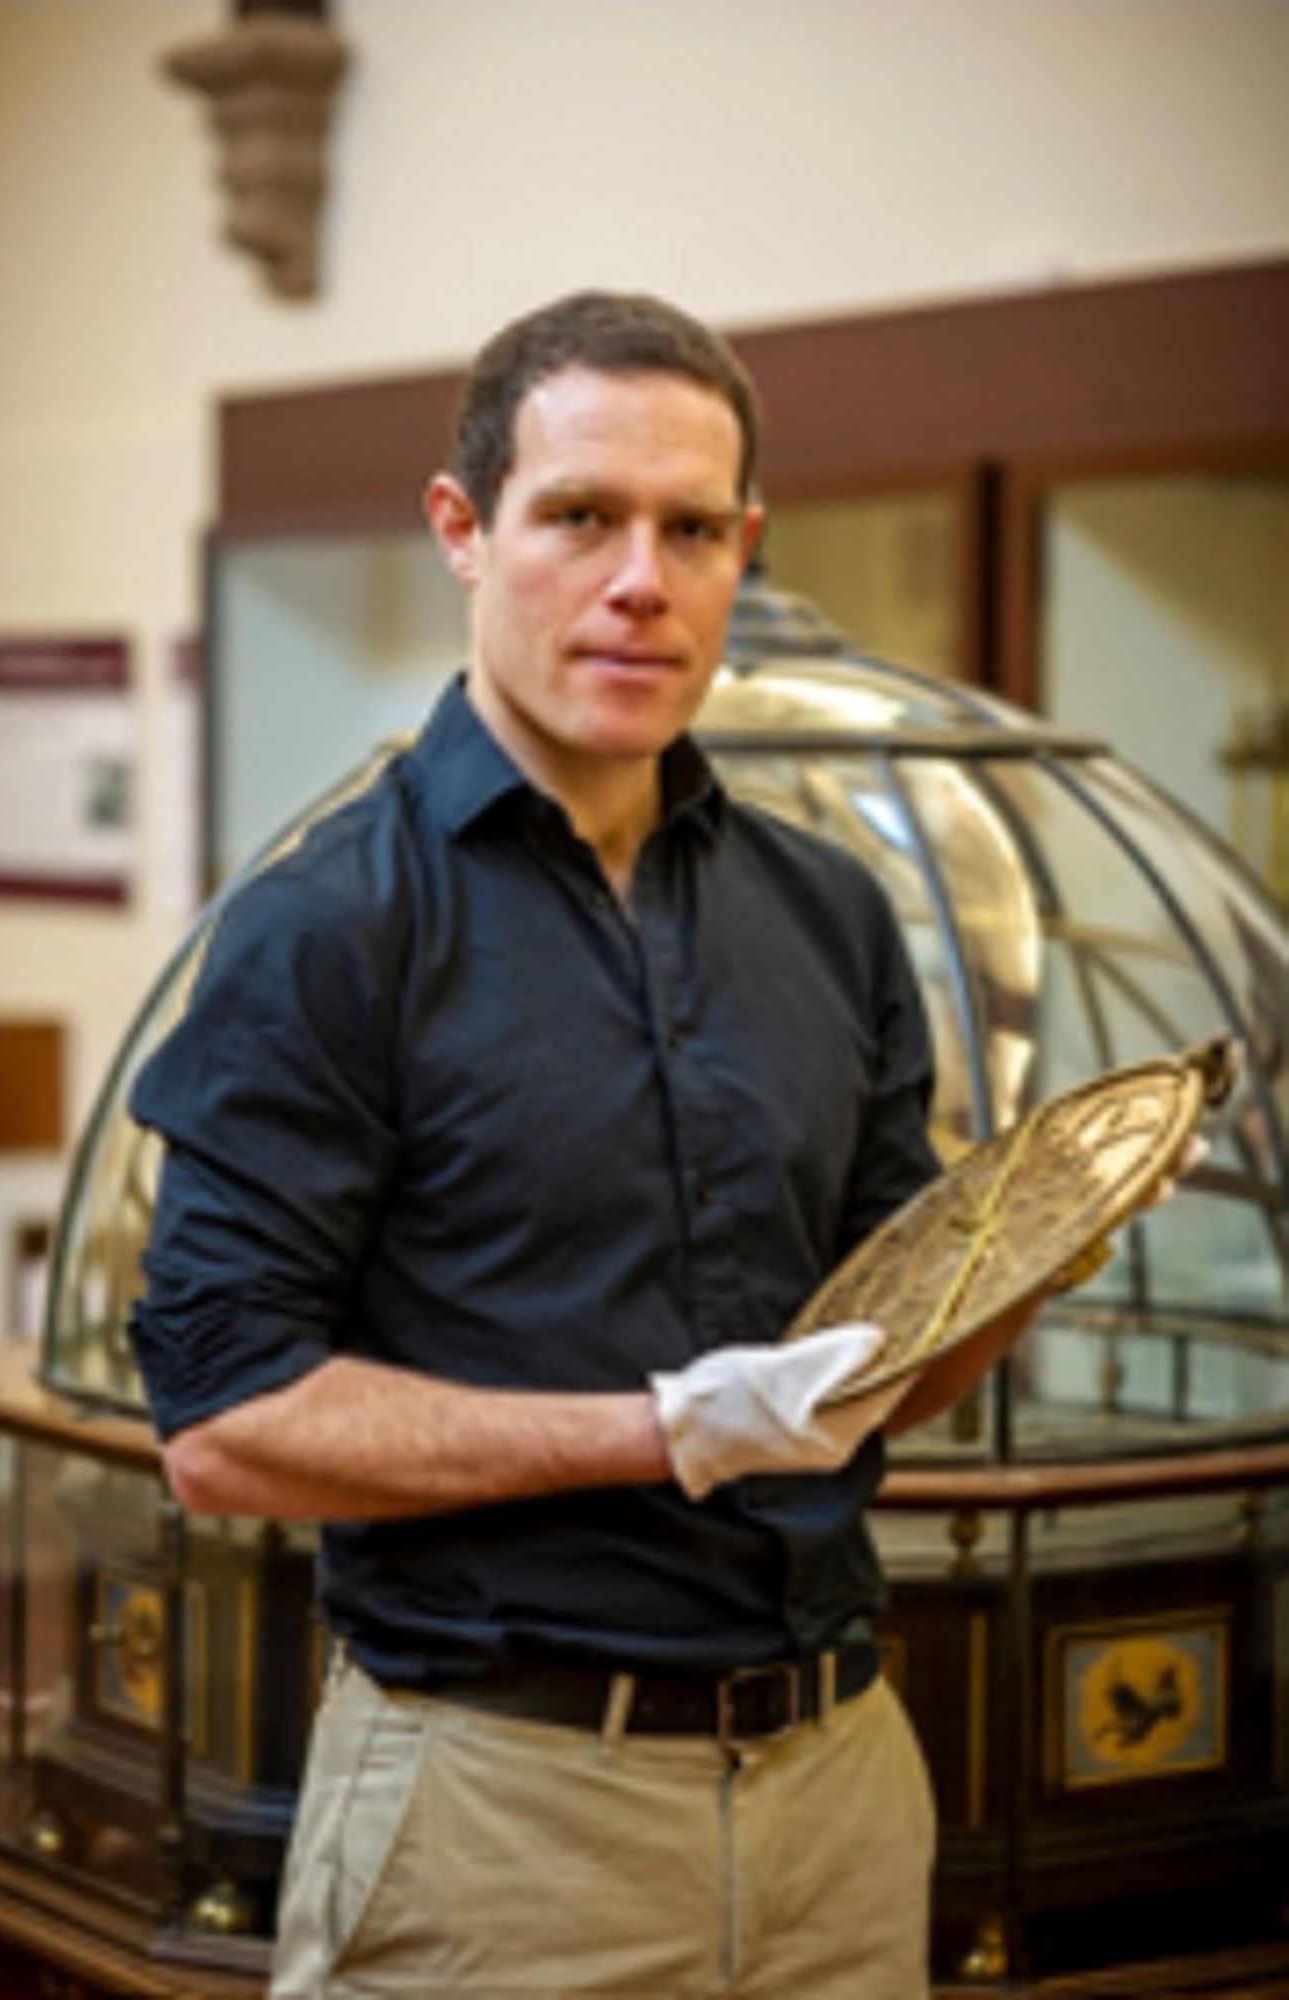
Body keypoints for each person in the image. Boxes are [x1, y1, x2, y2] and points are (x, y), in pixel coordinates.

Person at [129, 291, 1040, 2000]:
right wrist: (661, 1432)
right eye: (581, 519)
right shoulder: (331, 926)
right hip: (500, 1818)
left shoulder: (833, 913)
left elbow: (886, 1351)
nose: (643, 580)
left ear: (746, 547)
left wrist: (1044, 1240)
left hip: (843, 1788)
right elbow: (226, 1425)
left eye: (693, 529)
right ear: (464, 533)